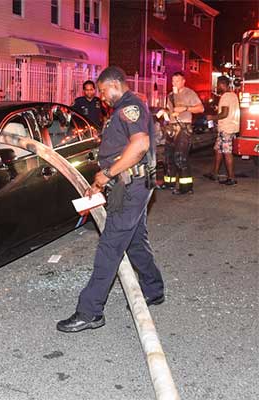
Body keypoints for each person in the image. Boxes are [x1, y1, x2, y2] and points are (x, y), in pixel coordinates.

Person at [56, 66, 164, 333]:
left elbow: (139, 146)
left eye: (103, 91)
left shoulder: (130, 106)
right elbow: (120, 149)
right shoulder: (124, 108)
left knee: (109, 248)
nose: (102, 97)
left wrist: (106, 174)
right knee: (135, 239)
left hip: (132, 186)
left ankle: (90, 311)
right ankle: (153, 289)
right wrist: (99, 182)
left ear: (115, 84)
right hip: (129, 184)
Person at [161, 72, 204, 195]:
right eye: (173, 81)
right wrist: (165, 113)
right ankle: (169, 182)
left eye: (177, 81)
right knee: (168, 157)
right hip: (171, 127)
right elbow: (169, 112)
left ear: (183, 81)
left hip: (183, 127)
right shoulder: (170, 95)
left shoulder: (189, 93)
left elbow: (201, 108)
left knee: (180, 157)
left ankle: (186, 187)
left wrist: (185, 108)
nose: (174, 83)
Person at [203, 76, 240, 185]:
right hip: (230, 127)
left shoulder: (225, 96)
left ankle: (231, 178)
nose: (217, 86)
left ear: (222, 84)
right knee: (218, 149)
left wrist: (212, 117)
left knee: (227, 152)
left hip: (226, 129)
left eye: (218, 84)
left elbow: (224, 114)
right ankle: (214, 173)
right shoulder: (233, 95)